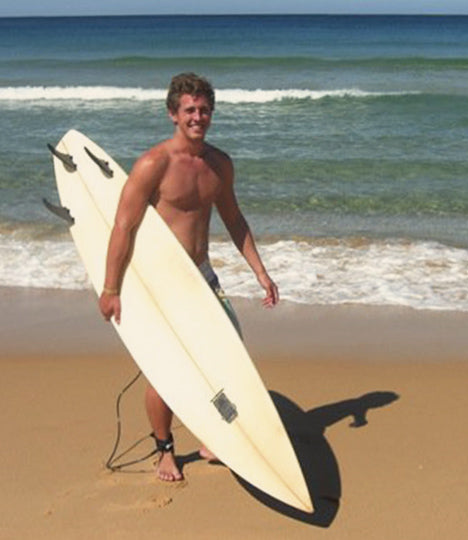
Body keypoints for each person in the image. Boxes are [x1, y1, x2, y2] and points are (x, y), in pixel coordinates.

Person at [98, 73, 279, 482]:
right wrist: (111, 289)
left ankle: (214, 439)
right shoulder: (153, 165)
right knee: (165, 372)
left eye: (204, 110)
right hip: (163, 284)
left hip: (203, 277)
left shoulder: (219, 164)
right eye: (190, 110)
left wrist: (260, 272)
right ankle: (165, 450)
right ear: (173, 115)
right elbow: (122, 227)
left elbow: (234, 220)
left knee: (228, 357)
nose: (198, 117)